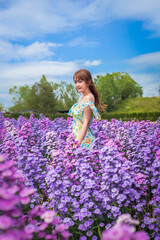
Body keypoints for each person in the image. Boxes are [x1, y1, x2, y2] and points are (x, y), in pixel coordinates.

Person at [68, 69, 105, 150]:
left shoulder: (89, 98)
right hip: (76, 135)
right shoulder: (82, 98)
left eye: (80, 81)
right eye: (75, 82)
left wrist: (78, 143)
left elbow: (86, 122)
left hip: (83, 138)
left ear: (88, 82)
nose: (77, 85)